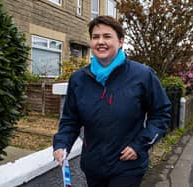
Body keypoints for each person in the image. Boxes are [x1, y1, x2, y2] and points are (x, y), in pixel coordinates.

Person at [53, 15, 171, 187]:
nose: (101, 41)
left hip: (128, 165)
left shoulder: (143, 75)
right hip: (93, 165)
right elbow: (70, 120)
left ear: (121, 41)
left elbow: (161, 114)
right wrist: (62, 144)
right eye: (96, 37)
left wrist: (140, 145)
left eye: (107, 36)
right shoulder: (78, 79)